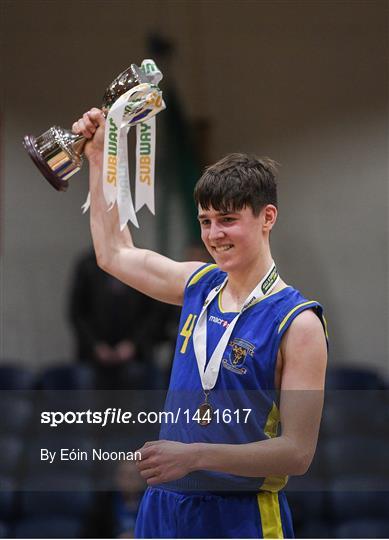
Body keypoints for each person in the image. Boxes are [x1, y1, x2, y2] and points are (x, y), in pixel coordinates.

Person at [72, 108, 327, 539]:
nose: (214, 234)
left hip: (240, 515)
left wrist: (194, 456)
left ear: (267, 218)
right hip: (166, 507)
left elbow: (297, 453)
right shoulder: (199, 284)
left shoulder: (298, 322)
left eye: (228, 219)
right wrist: (99, 159)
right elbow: (113, 253)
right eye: (206, 221)